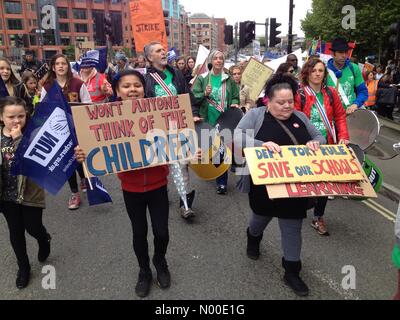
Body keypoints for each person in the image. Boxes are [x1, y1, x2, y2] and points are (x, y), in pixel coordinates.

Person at [74, 70, 170, 298]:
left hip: (158, 185)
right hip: (131, 189)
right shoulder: (106, 117)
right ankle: (144, 270)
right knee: (139, 233)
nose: (132, 89)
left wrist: (190, 148)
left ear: (143, 88)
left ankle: (160, 260)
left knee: (162, 232)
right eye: (126, 86)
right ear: (117, 91)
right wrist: (83, 153)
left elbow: (178, 138)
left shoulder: (159, 112)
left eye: (137, 85)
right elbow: (94, 145)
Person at [234, 74, 325, 297]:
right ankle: (253, 237)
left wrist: (316, 143)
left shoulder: (301, 117)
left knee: (292, 227)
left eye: (290, 102)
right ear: (269, 101)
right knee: (260, 218)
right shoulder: (255, 116)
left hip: (294, 186)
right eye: (281, 102)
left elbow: (320, 137)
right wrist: (261, 144)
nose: (287, 106)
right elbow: (236, 137)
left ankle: (292, 271)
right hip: (263, 186)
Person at [144, 41, 200, 219]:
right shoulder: (145, 79)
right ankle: (163, 192)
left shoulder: (175, 73)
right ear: (149, 57)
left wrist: (194, 113)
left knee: (183, 164)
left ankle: (185, 204)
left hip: (180, 127)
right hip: (158, 129)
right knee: (162, 165)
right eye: (158, 51)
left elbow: (186, 96)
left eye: (164, 50)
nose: (163, 52)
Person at [0, 96, 51, 289]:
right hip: (6, 196)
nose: (16, 120)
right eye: (11, 116)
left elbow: (35, 163)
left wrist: (19, 138)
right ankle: (23, 267)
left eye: (21, 116)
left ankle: (43, 238)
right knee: (16, 232)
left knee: (33, 227)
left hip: (30, 193)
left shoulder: (32, 134)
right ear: (1, 117)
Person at [295, 57, 349, 236]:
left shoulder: (331, 93)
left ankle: (318, 217)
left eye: (320, 70)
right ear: (307, 73)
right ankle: (299, 207)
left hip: (328, 144)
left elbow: (340, 117)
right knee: (306, 181)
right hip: (306, 144)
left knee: (326, 183)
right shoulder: (300, 94)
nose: (317, 74)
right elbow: (295, 121)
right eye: (314, 70)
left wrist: (343, 137)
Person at [41, 54, 92, 210]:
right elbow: (43, 108)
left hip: (77, 128)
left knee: (79, 157)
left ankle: (83, 178)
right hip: (59, 131)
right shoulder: (47, 86)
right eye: (58, 63)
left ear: (68, 67)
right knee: (66, 161)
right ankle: (74, 193)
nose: (61, 66)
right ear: (53, 67)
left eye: (64, 63)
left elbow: (88, 104)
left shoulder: (77, 83)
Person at [192, 50, 240, 195]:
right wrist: (204, 94)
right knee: (208, 149)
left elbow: (235, 97)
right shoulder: (202, 78)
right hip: (207, 118)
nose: (219, 60)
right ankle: (210, 172)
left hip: (224, 119)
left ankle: (222, 182)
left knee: (221, 149)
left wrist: (234, 103)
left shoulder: (228, 78)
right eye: (216, 58)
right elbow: (194, 98)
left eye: (221, 58)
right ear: (211, 61)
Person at [326, 37, 368, 114]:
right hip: (332, 117)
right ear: (332, 53)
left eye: (346, 52)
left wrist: (355, 104)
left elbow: (363, 91)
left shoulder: (354, 68)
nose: (344, 55)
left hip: (352, 115)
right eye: (341, 52)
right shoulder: (324, 71)